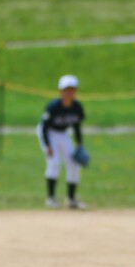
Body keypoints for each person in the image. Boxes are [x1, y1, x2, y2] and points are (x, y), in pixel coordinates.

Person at [38, 74, 87, 209]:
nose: (69, 93)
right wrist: (47, 146)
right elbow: (44, 127)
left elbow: (77, 127)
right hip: (48, 133)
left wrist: (80, 145)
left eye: (72, 89)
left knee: (74, 164)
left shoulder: (77, 107)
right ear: (61, 91)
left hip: (63, 134)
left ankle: (71, 199)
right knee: (54, 163)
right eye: (66, 90)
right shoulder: (53, 106)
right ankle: (51, 198)